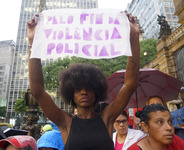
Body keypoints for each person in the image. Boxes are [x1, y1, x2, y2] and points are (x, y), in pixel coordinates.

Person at [27, 11, 140, 150]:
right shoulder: (65, 122)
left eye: (89, 88)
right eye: (78, 88)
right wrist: (33, 44)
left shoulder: (107, 118)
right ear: (70, 94)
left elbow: (130, 84)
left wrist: (134, 37)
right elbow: (37, 91)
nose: (83, 92)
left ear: (97, 91)